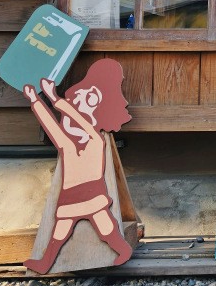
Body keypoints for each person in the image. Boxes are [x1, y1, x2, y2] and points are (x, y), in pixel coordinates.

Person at [22, 59, 134, 273]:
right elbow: (51, 126)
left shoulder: (95, 141)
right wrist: (35, 100)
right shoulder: (68, 146)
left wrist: (56, 100)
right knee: (59, 233)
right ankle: (45, 263)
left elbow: (82, 122)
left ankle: (122, 249)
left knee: (104, 227)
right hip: (71, 197)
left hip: (91, 195)